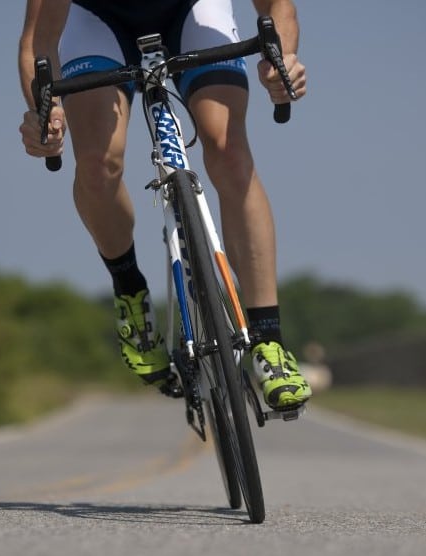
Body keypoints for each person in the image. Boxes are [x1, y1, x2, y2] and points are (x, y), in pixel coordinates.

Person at [18, 0, 311, 410]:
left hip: (194, 9)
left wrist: (281, 59)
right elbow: (38, 41)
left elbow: (277, 6)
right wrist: (42, 115)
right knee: (98, 164)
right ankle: (130, 291)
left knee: (229, 151)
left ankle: (269, 341)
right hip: (98, 19)